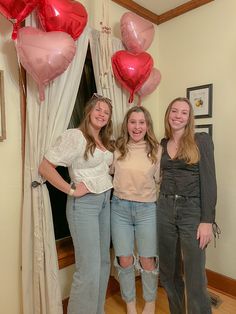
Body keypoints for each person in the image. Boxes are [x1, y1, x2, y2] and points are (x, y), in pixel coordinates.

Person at [38, 93, 114, 314]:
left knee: (102, 264)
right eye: (98, 109)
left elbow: (103, 170)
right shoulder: (75, 136)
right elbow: (45, 167)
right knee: (88, 268)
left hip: (104, 202)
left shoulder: (104, 141)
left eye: (106, 112)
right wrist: (71, 189)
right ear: (89, 111)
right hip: (84, 206)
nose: (102, 114)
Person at [157, 97, 217, 314]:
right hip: (164, 208)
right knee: (168, 271)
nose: (178, 115)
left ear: (189, 118)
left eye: (184, 112)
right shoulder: (162, 144)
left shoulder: (201, 140)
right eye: (174, 111)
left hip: (192, 210)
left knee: (194, 273)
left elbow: (209, 181)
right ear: (168, 114)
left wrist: (207, 221)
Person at [110, 106, 162, 314]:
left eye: (142, 122)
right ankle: (130, 304)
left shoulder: (157, 150)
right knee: (124, 259)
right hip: (120, 208)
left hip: (147, 209)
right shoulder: (116, 148)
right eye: (133, 122)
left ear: (147, 125)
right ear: (127, 125)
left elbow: (160, 180)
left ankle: (150, 302)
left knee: (147, 259)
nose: (137, 126)